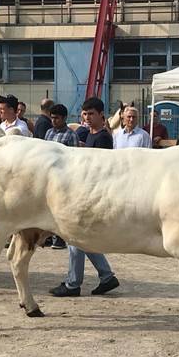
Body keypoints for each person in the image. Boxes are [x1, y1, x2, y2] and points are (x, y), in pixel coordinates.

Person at [49, 97, 119, 297]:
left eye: (91, 114)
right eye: (85, 114)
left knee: (74, 237)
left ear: (101, 115)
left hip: (93, 193)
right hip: (85, 191)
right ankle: (106, 276)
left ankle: (73, 284)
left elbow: (101, 169)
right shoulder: (90, 134)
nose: (87, 118)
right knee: (82, 239)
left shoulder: (103, 137)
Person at [44, 103, 79, 250]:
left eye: (57, 118)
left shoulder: (71, 135)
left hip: (65, 177)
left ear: (64, 118)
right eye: (52, 118)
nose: (54, 121)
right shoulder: (48, 133)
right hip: (48, 176)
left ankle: (60, 238)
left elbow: (76, 157)